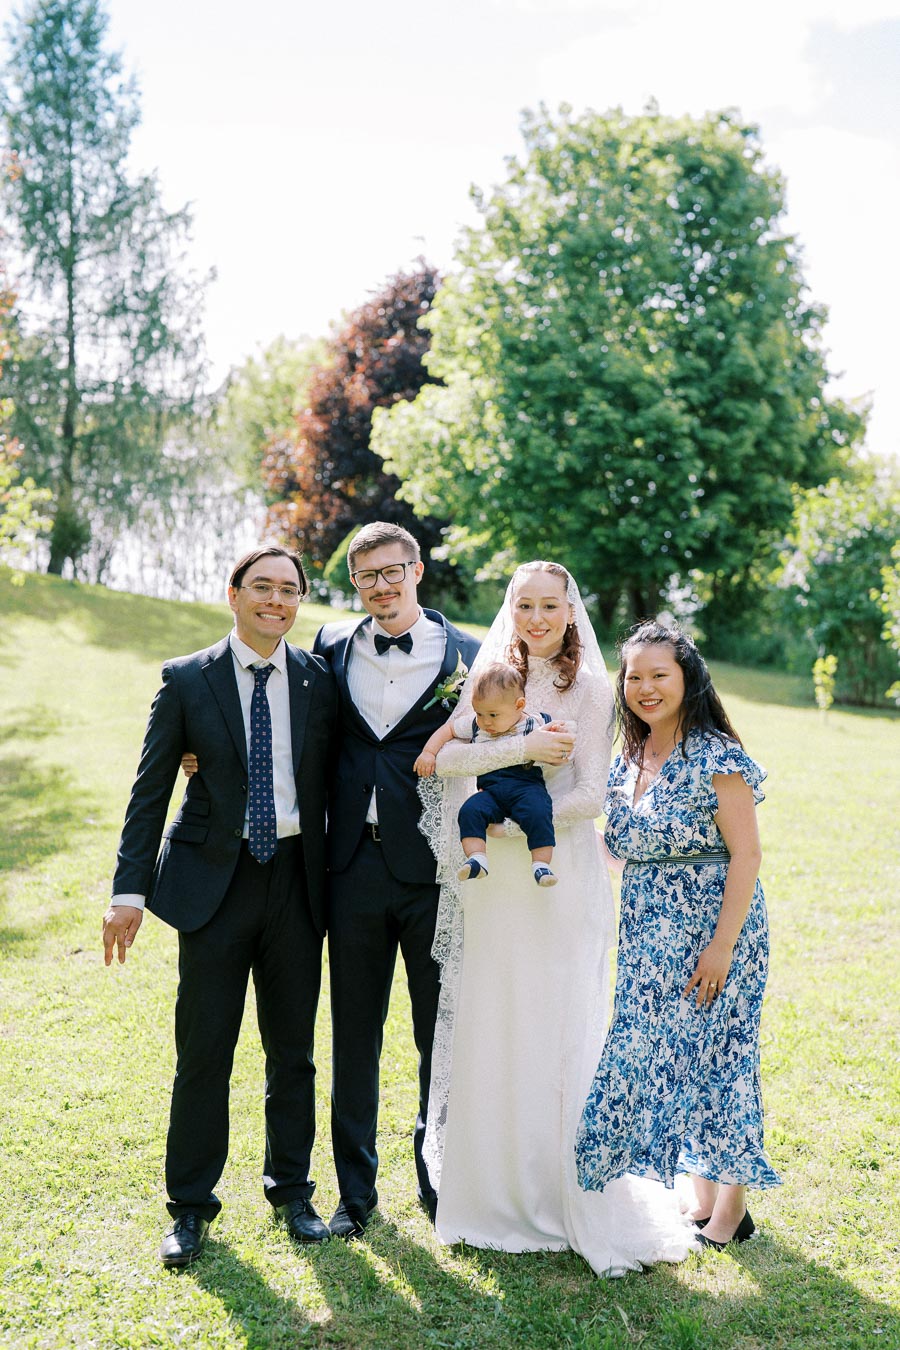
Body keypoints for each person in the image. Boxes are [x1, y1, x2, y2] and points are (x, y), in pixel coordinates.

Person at [420, 563, 696, 1275]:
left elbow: (591, 796)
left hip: (554, 875)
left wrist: (515, 826)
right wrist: (520, 751)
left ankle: (559, 1191)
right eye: (525, 605)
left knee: (554, 1021)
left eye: (550, 605)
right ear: (510, 610)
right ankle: (489, 1195)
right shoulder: (491, 675)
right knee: (497, 1018)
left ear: (571, 611)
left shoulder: (594, 688)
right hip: (495, 888)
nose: (537, 618)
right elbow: (446, 759)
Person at [103, 546, 337, 1267]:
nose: (276, 601)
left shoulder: (319, 680)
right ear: (233, 594)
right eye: (262, 587)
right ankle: (189, 1205)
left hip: (297, 881)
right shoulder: (186, 679)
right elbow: (150, 791)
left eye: (289, 590)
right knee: (204, 1051)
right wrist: (128, 891)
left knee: (293, 1052)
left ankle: (293, 1192)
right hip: (213, 885)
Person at [575, 621, 781, 1249]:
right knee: (669, 1055)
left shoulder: (716, 755)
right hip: (646, 934)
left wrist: (721, 947)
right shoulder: (629, 758)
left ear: (687, 678)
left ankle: (732, 1212)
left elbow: (746, 855)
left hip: (714, 929)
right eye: (634, 676)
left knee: (722, 1057)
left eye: (659, 674)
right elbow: (620, 851)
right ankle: (701, 1194)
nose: (645, 687)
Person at [311, 522, 482, 1237]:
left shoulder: (471, 654)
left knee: (437, 1035)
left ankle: (439, 1183)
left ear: (417, 570)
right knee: (354, 1036)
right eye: (366, 576)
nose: (380, 586)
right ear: (354, 583)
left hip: (434, 870)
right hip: (350, 865)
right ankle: (355, 1196)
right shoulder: (329, 646)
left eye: (391, 571)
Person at [414, 660, 561, 886]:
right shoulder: (476, 724)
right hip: (491, 791)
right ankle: (477, 859)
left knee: (539, 812)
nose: (485, 722)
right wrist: (428, 752)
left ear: (519, 705)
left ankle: (541, 865)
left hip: (526, 787)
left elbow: (556, 743)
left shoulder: (535, 723)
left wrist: (558, 736)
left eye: (493, 715)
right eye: (479, 713)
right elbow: (449, 729)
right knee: (470, 810)